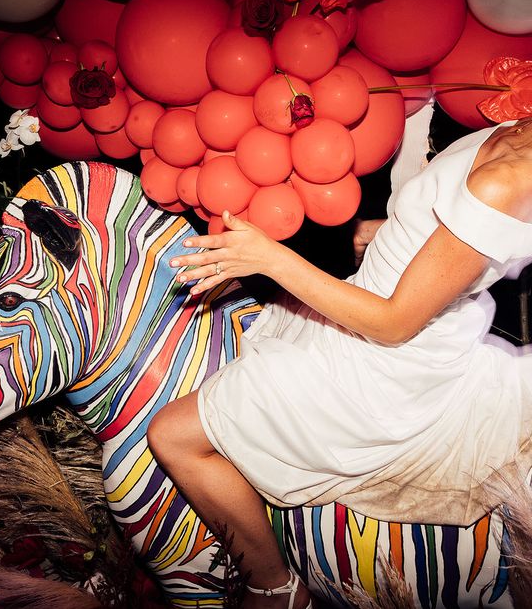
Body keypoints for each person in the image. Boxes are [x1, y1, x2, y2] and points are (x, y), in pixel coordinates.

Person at [147, 118, 532, 609]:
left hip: (384, 357)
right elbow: (451, 229)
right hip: (372, 301)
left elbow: (395, 324)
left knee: (173, 435)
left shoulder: (511, 176)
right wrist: (392, 233)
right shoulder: (518, 120)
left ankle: (275, 587)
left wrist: (270, 259)